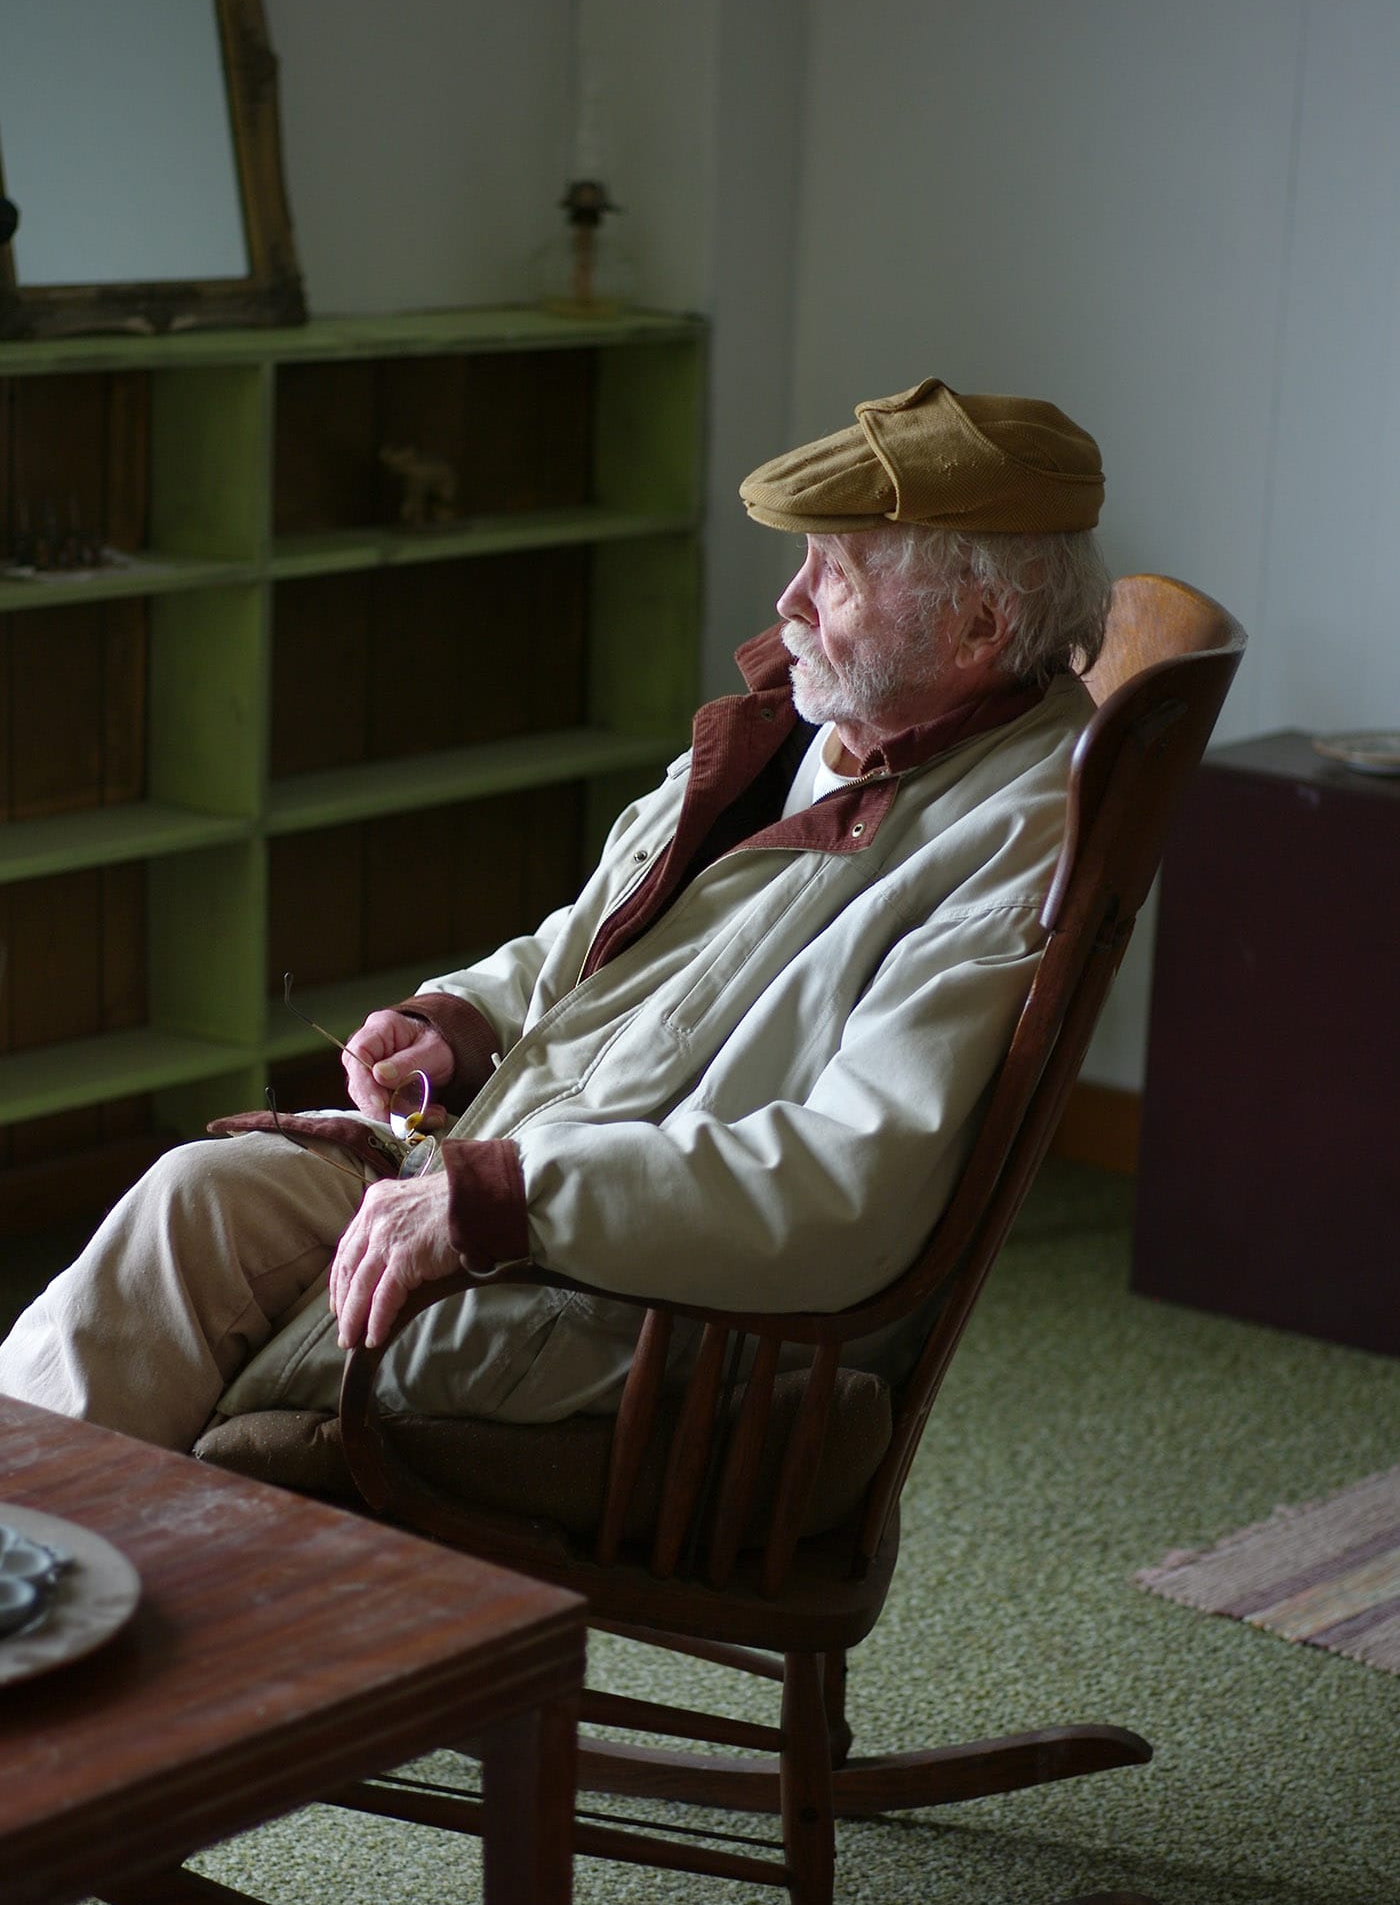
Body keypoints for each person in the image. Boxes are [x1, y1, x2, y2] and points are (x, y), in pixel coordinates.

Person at [0, 377, 1111, 1452]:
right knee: (194, 1200)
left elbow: (844, 1187)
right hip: (523, 1171)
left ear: (975, 624)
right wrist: (464, 1020)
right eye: (803, 558)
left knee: (216, 1379)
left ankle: (75, 1584)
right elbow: (591, 947)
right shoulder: (811, 728)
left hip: (642, 1291)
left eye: (839, 572)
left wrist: (510, 1196)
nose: (787, 602)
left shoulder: (1015, 835)